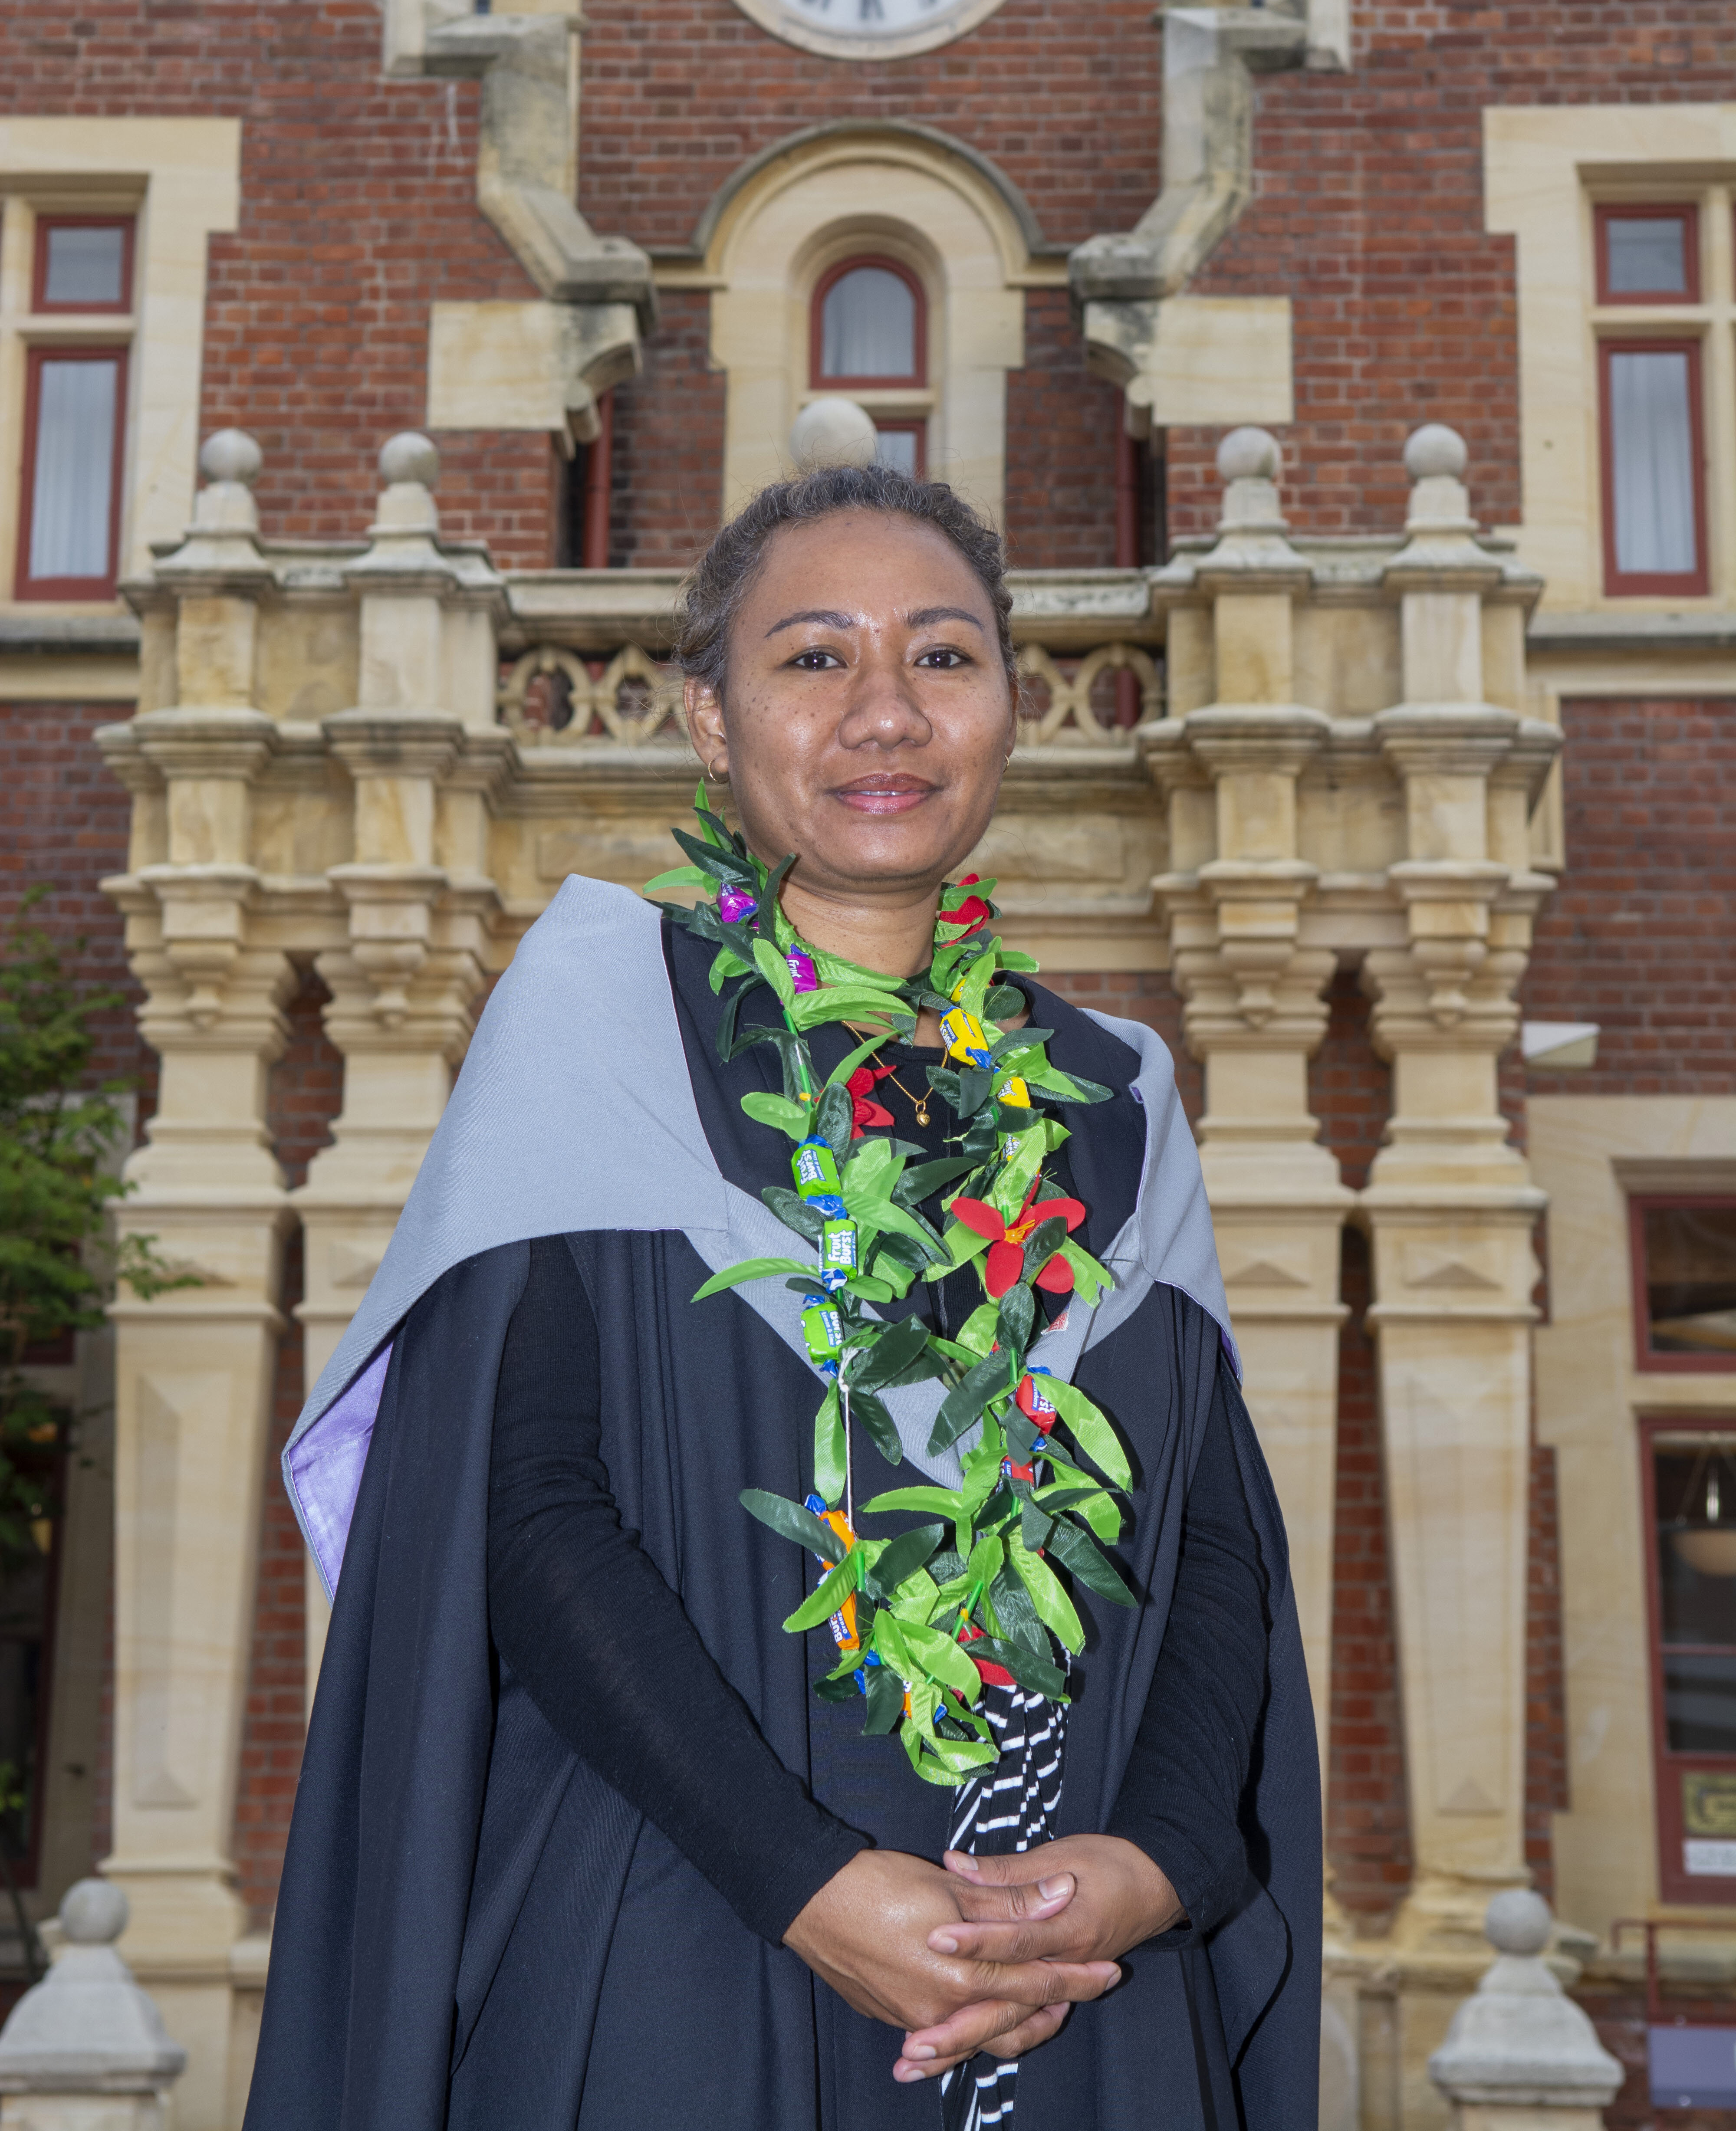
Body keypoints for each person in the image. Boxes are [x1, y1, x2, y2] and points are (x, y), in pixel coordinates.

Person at [246, 465, 1320, 2131]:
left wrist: (1152, 1864)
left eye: (944, 659)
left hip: (1077, 1974)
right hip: (682, 1931)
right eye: (814, 659)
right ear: (709, 719)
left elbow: (1214, 1542)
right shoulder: (601, 1035)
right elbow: (529, 1516)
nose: (884, 712)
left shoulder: (1114, 1097)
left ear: (1012, 710)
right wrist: (810, 1882)